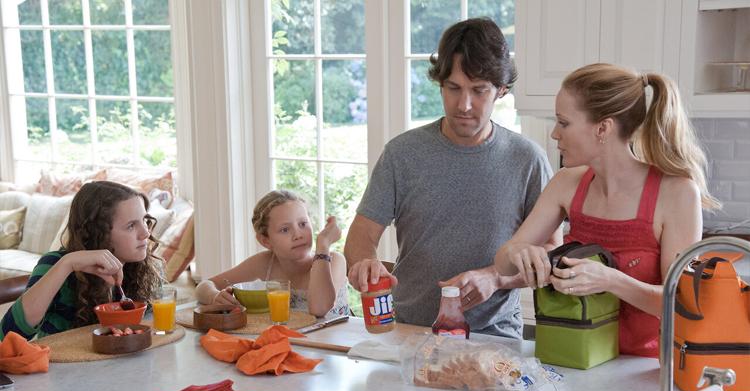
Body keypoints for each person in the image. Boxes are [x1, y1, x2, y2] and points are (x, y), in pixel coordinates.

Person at [344, 18, 557, 339]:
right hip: (410, 330)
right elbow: (361, 234)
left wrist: (495, 278)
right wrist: (365, 263)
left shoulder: (528, 160)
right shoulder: (402, 154)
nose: (464, 105)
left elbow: (550, 256)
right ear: (440, 84)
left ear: (501, 90)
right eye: (453, 88)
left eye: (479, 90)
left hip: (494, 335)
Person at [494, 63, 721, 357]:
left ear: (603, 128)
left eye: (563, 123)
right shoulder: (565, 184)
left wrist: (610, 280)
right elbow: (503, 264)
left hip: (645, 369)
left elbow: (682, 302)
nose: (554, 134)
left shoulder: (677, 193)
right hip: (573, 360)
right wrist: (518, 252)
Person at [0, 181, 162, 340]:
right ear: (98, 232)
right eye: (131, 226)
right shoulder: (55, 264)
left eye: (144, 220)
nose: (146, 233)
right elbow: (8, 334)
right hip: (62, 358)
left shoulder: (142, 269)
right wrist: (67, 264)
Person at [195, 190, 348, 318]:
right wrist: (214, 296)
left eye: (303, 224)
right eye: (285, 229)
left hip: (332, 343)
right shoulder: (265, 263)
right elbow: (204, 286)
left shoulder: (334, 260)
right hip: (289, 341)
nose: (298, 235)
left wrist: (323, 244)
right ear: (265, 241)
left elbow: (319, 309)